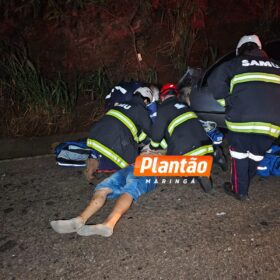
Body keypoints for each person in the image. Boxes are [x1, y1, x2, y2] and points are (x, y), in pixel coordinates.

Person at [207, 34, 280, 200]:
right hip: (272, 122)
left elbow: (214, 79)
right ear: (260, 49)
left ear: (239, 50)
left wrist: (226, 101)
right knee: (256, 154)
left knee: (239, 154)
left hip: (242, 118)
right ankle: (246, 179)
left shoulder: (235, 63)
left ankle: (240, 191)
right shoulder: (276, 65)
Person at [50, 165, 157, 237]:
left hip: (149, 168)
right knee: (103, 187)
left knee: (129, 190)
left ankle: (109, 224)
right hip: (129, 167)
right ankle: (79, 220)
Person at [149, 83, 214, 191]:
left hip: (185, 151)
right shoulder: (185, 106)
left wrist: (152, 146)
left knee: (177, 170)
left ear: (162, 97)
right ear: (176, 95)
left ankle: (194, 172)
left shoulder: (163, 109)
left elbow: (156, 136)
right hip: (206, 146)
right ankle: (213, 157)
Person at [85, 87, 154, 183]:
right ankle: (118, 180)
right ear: (146, 100)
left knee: (108, 151)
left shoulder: (120, 104)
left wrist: (142, 140)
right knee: (133, 163)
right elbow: (151, 131)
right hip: (115, 137)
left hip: (96, 134)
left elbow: (131, 129)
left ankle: (95, 164)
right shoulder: (141, 109)